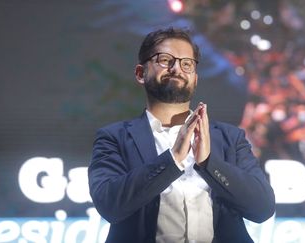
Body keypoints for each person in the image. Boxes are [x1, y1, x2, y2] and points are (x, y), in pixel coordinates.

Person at [88, 27, 275, 243]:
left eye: (187, 64)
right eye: (165, 59)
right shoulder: (114, 138)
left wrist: (208, 163)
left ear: (195, 78)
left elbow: (262, 208)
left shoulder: (230, 138)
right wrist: (173, 159)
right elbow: (109, 205)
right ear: (141, 73)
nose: (176, 68)